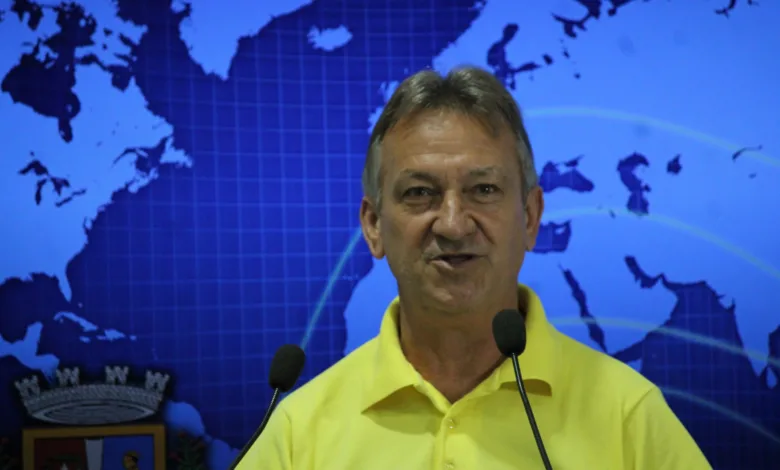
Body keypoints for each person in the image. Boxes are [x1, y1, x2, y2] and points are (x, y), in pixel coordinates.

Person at [236, 66, 711, 469]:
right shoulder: (298, 435)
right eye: (419, 192)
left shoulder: (629, 418)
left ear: (530, 218)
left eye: (483, 190)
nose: (453, 224)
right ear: (374, 225)